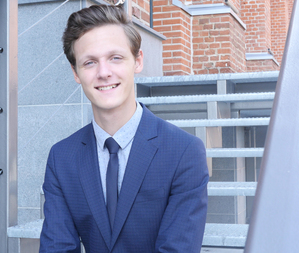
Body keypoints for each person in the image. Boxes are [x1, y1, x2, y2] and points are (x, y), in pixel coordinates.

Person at [39, 4, 209, 252]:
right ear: (76, 72)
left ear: (137, 61)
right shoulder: (61, 157)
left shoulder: (184, 152)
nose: (104, 73)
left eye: (115, 58)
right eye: (89, 62)